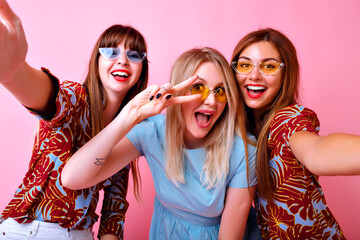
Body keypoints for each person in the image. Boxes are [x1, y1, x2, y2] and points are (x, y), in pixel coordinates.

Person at [61, 47, 257, 239]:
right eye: (199, 88)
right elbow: (72, 179)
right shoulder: (151, 131)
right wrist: (131, 114)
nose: (212, 101)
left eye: (221, 91)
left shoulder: (244, 151)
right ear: (177, 92)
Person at [0, 0, 148, 239]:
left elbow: (114, 212)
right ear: (96, 61)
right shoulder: (75, 98)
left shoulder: (130, 129)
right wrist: (15, 74)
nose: (122, 60)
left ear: (142, 67)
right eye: (110, 52)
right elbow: (49, 97)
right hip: (31, 231)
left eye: (134, 54)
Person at [231, 28, 360, 239]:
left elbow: (316, 151)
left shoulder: (287, 120)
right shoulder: (241, 129)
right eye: (245, 65)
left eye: (269, 66)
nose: (254, 75)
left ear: (285, 73)